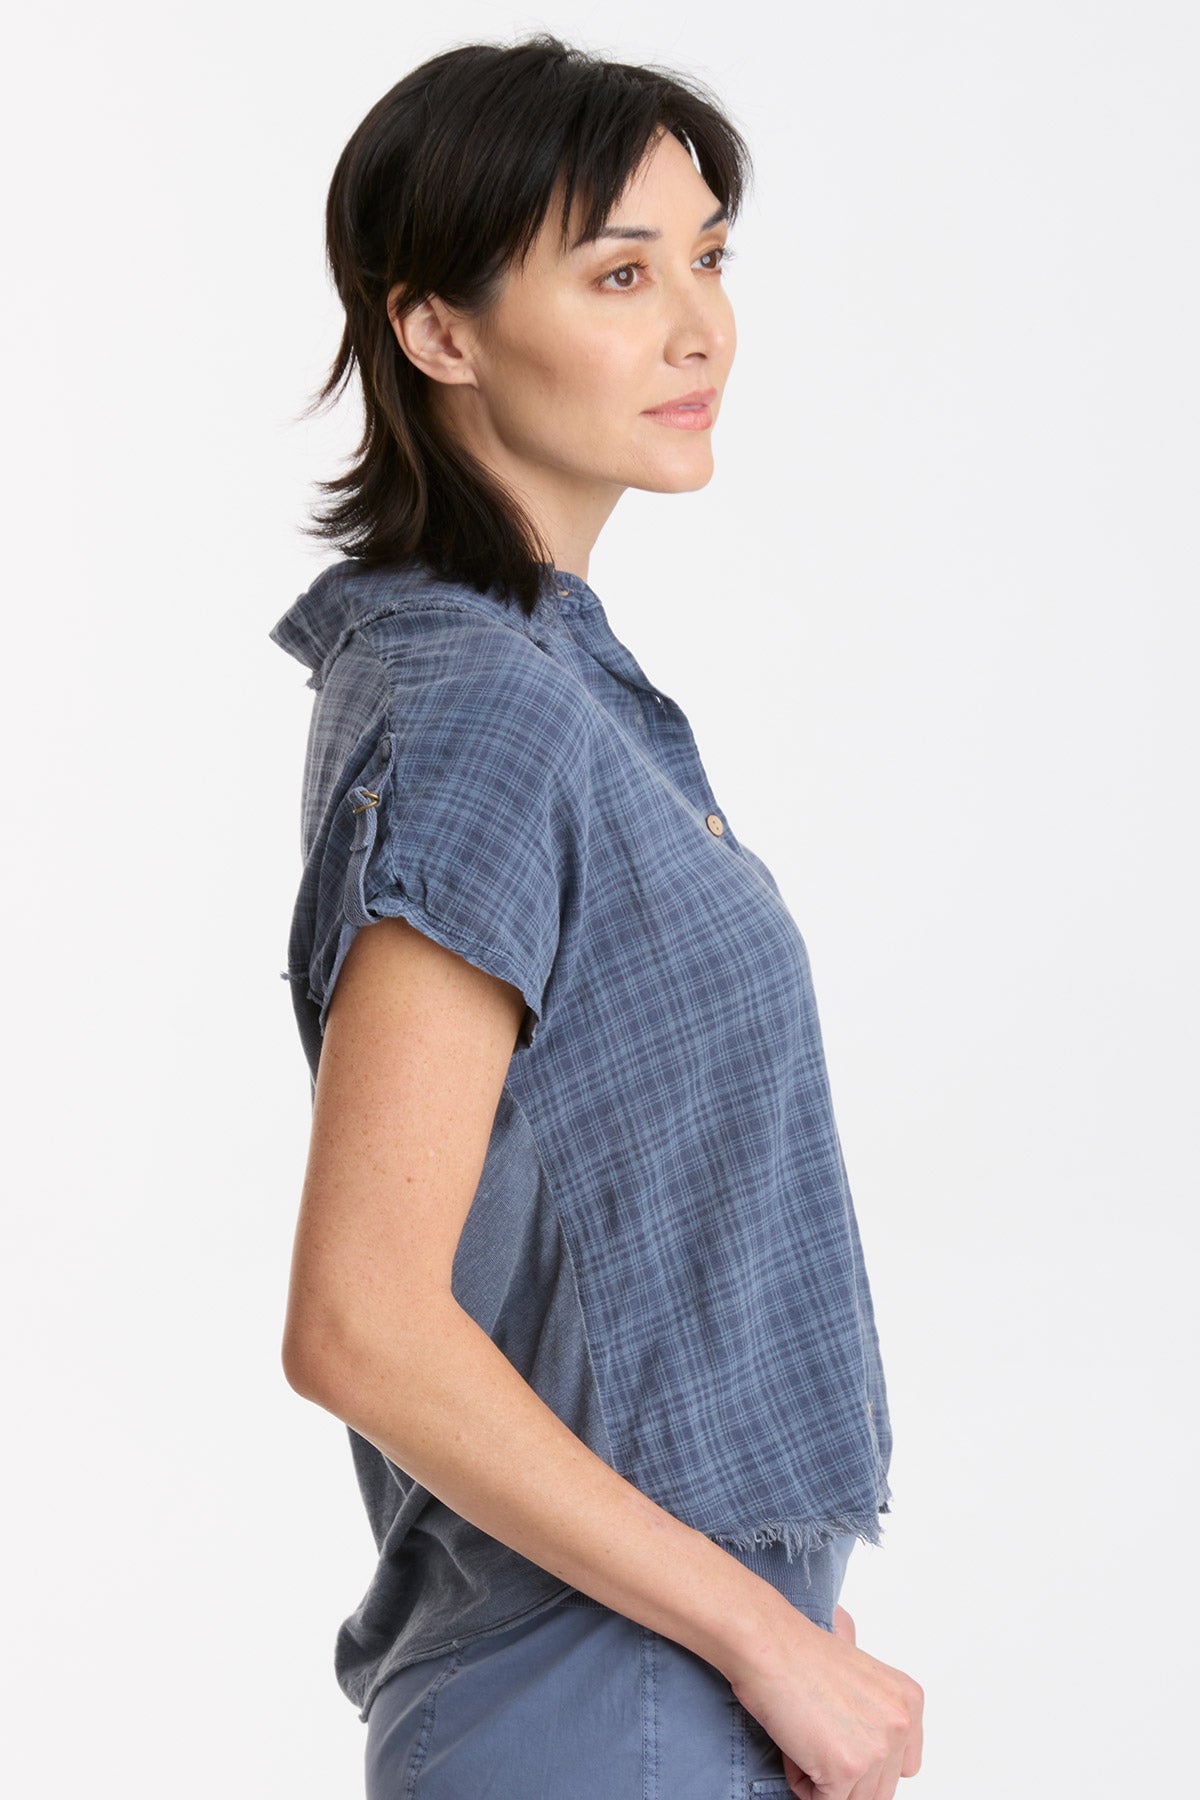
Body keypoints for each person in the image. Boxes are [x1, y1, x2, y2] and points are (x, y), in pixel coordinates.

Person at [269, 32, 924, 1800]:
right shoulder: (479, 705)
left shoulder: (551, 677)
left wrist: (774, 1625)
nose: (700, 328)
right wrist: (760, 1636)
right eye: (621, 275)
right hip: (597, 1691)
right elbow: (361, 1319)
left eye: (708, 258)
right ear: (440, 331)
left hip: (661, 1674)